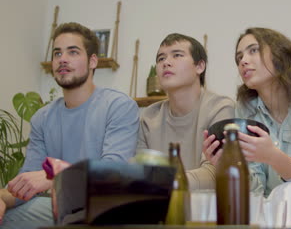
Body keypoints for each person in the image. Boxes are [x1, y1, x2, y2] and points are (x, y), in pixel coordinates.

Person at [0, 22, 139, 228]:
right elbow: (25, 182)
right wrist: (2, 198)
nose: (62, 59)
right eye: (57, 53)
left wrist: (59, 177)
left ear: (93, 61)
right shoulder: (42, 118)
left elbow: (113, 173)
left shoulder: (118, 106)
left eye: (73, 52)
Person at [203, 27, 291, 224]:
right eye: (239, 57)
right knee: (217, 204)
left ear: (280, 55)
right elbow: (255, 189)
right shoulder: (246, 108)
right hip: (269, 207)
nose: (243, 61)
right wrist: (231, 166)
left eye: (253, 50)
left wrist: (273, 157)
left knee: (289, 193)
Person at [138, 33, 235, 190]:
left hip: (209, 209)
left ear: (200, 66)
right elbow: (140, 174)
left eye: (177, 55)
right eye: (161, 59)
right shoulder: (149, 116)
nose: (166, 63)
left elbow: (215, 172)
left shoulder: (221, 108)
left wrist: (165, 182)